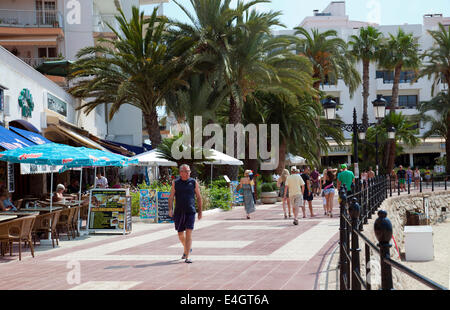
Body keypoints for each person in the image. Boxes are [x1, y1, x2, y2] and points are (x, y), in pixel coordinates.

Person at [168, 164, 203, 264]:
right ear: (180, 173)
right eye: (185, 171)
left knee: (188, 232)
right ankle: (187, 248)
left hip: (190, 211)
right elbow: (171, 197)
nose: (188, 173)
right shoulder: (176, 183)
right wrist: (170, 209)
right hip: (179, 212)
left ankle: (187, 256)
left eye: (188, 171)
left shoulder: (193, 182)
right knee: (180, 234)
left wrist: (200, 211)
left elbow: (199, 197)